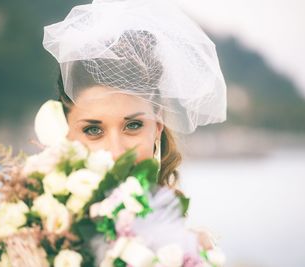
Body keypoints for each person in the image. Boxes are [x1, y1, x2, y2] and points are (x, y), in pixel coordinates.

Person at [43, 0, 227, 265]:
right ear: (66, 135)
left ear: (157, 130)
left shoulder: (189, 252)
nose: (117, 152)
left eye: (132, 126)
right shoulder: (32, 236)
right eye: (93, 130)